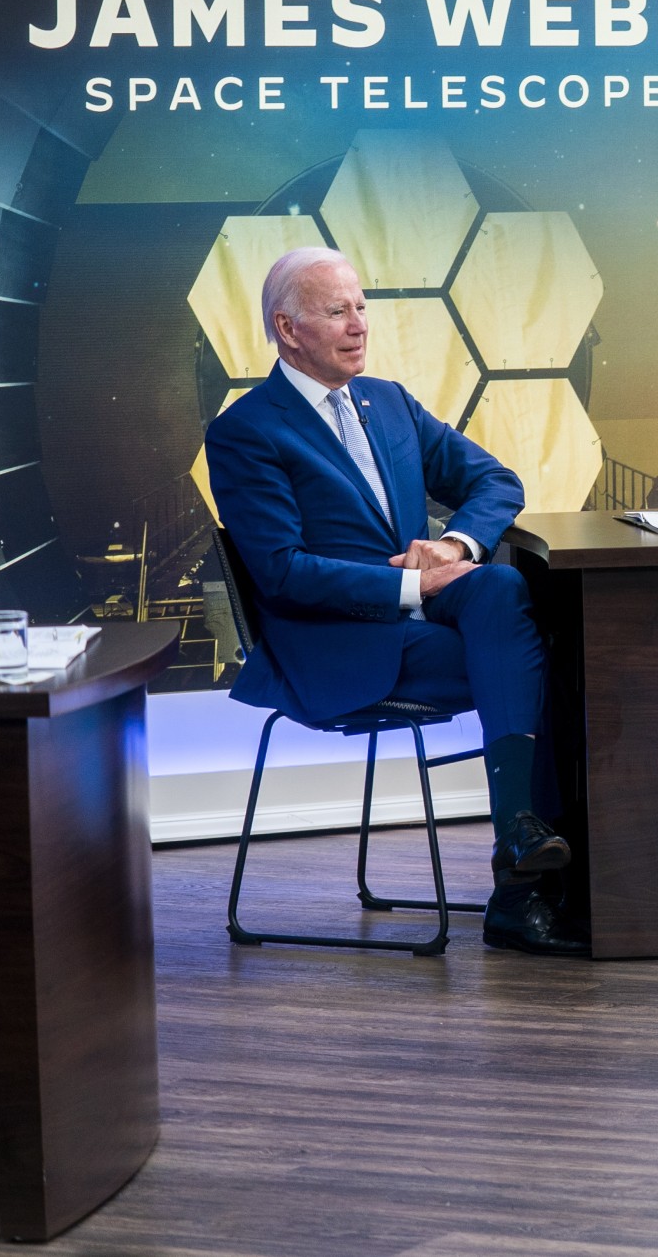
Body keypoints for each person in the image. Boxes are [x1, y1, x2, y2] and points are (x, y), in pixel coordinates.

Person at [205, 246, 584, 957]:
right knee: (545, 661)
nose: (358, 326)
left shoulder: (390, 402)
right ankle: (524, 884)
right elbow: (283, 572)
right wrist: (411, 584)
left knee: (501, 584)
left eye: (362, 308)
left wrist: (460, 545)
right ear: (287, 329)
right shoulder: (245, 431)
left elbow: (496, 482)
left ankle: (522, 842)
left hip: (425, 626)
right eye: (337, 311)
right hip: (337, 645)